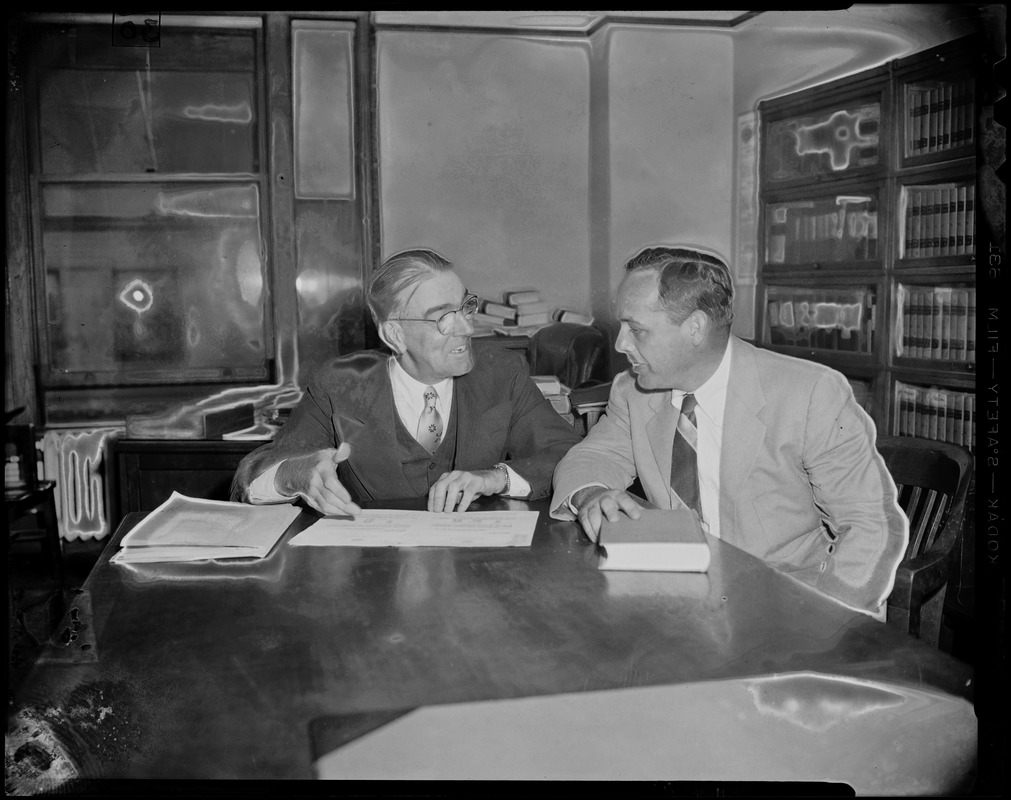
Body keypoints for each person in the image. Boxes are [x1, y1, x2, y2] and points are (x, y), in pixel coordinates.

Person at [551, 245, 908, 618]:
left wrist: (827, 623)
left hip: (786, 606)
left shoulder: (809, 393)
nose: (621, 344)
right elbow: (593, 457)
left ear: (695, 328)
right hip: (679, 602)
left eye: (637, 330)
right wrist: (591, 494)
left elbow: (870, 526)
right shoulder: (634, 390)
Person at [232, 248, 581, 515]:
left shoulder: (502, 372)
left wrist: (495, 478)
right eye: (443, 317)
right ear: (395, 335)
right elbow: (253, 475)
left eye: (465, 307)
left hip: (476, 575)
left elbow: (569, 454)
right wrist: (294, 474)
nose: (466, 328)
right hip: (377, 575)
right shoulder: (340, 385)